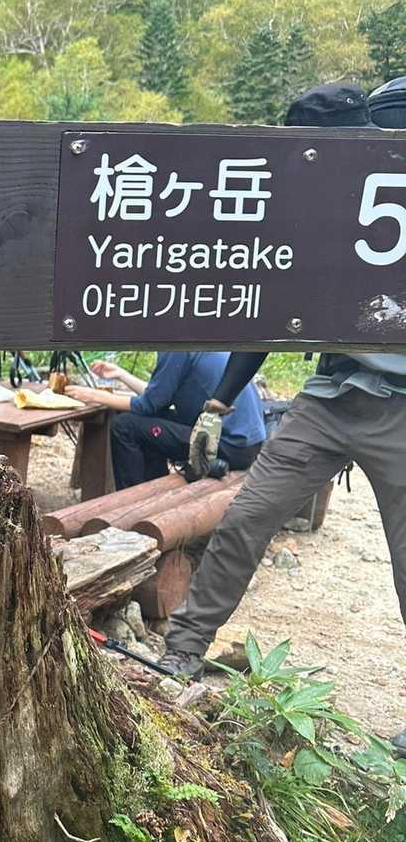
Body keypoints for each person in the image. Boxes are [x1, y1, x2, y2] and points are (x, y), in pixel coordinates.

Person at [160, 83, 406, 721]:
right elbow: (275, 310)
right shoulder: (316, 205)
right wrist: (216, 406)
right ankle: (182, 649)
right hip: (331, 397)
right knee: (246, 518)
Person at [66, 354, 265, 490]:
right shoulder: (194, 337)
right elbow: (159, 396)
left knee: (124, 426)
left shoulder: (176, 347)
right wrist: (121, 375)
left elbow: (148, 405)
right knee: (142, 421)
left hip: (228, 444)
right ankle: (152, 487)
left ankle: (133, 499)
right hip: (245, 442)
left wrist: (94, 396)